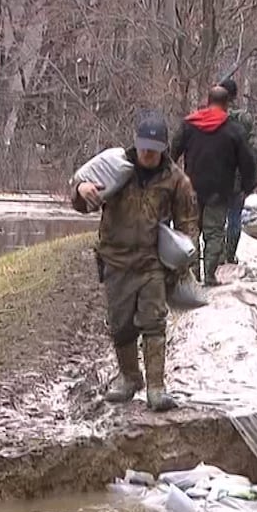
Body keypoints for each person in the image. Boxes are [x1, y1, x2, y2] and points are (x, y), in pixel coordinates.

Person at [71, 111, 199, 412]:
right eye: (143, 148)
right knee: (121, 325)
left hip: (152, 263)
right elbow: (79, 202)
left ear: (163, 149)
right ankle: (130, 378)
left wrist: (184, 259)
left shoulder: (177, 181)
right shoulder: (116, 169)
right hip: (115, 260)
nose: (147, 154)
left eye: (153, 151)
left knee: (153, 322)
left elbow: (188, 222)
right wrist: (81, 190)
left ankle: (156, 387)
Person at [169, 86, 257, 286]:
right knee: (215, 233)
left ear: (207, 101)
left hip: (190, 187)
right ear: (227, 104)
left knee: (191, 231)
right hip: (220, 190)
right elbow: (248, 160)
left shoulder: (189, 125)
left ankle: (192, 276)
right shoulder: (234, 130)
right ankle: (210, 275)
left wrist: (168, 178)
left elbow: (172, 152)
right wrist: (248, 184)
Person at [218, 77, 257, 265]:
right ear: (235, 95)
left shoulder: (211, 117)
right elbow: (253, 151)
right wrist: (252, 179)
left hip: (215, 177)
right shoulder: (244, 119)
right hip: (238, 179)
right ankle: (230, 255)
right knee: (234, 218)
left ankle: (214, 257)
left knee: (215, 221)